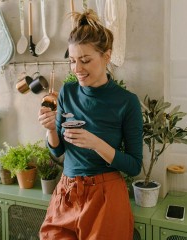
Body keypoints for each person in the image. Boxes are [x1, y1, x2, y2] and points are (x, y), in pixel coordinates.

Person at [37, 9, 143, 240]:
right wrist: (51, 130)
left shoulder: (127, 102)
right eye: (72, 61)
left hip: (105, 196)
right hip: (67, 192)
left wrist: (96, 144)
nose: (77, 69)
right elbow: (58, 151)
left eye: (85, 60)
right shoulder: (68, 92)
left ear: (106, 56)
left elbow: (134, 166)